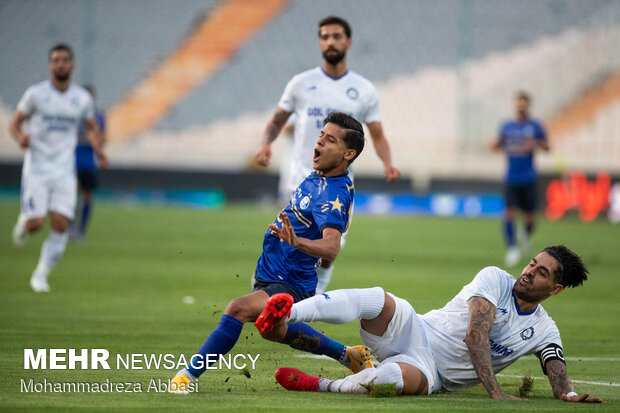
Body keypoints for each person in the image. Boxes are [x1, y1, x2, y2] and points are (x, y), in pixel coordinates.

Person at [170, 112, 371, 394]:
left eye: (330, 140)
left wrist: (299, 244)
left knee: (237, 308)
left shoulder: (332, 194)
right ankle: (348, 355)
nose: (320, 143)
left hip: (287, 282)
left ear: (348, 153)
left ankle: (187, 376)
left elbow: (331, 247)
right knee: (272, 331)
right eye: (321, 136)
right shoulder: (319, 177)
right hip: (273, 272)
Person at [259, 245, 602, 403]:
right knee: (378, 298)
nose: (528, 271)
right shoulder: (496, 279)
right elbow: (475, 337)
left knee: (390, 380)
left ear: (555, 289)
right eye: (532, 262)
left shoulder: (544, 330)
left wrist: (568, 393)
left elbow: (556, 369)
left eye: (541, 272)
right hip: (417, 328)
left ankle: (320, 385)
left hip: (429, 372)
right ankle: (289, 311)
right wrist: (495, 393)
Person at [255, 16, 401, 293]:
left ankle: (310, 297)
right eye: (325, 37)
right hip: (300, 177)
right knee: (289, 243)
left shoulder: (364, 90)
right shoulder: (300, 83)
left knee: (327, 252)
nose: (330, 41)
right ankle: (278, 294)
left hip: (337, 183)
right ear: (320, 42)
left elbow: (377, 134)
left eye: (336, 36)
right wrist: (266, 144)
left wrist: (388, 163)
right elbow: (277, 120)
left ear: (348, 42)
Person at [10, 44, 108, 292]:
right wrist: (20, 137)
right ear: (50, 65)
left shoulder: (81, 99)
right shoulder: (36, 94)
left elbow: (91, 128)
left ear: (72, 65)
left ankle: (40, 274)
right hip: (37, 169)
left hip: (65, 170)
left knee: (61, 224)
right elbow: (15, 123)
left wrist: (99, 151)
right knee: (35, 225)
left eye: (65, 60)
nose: (60, 64)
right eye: (56, 60)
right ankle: (25, 221)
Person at [491, 91, 549, 267]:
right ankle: (512, 249)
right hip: (511, 178)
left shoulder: (535, 126)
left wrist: (536, 144)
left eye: (524, 103)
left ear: (528, 105)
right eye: (518, 103)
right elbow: (499, 143)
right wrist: (493, 145)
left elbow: (547, 146)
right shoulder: (507, 126)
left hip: (529, 178)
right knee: (509, 213)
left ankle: (525, 234)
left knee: (531, 218)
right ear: (515, 105)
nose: (521, 106)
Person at [71, 85, 106, 240]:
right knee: (72, 195)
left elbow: (103, 138)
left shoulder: (99, 116)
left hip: (89, 163)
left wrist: (96, 144)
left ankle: (81, 230)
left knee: (87, 197)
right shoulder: (74, 115)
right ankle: (69, 228)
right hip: (73, 161)